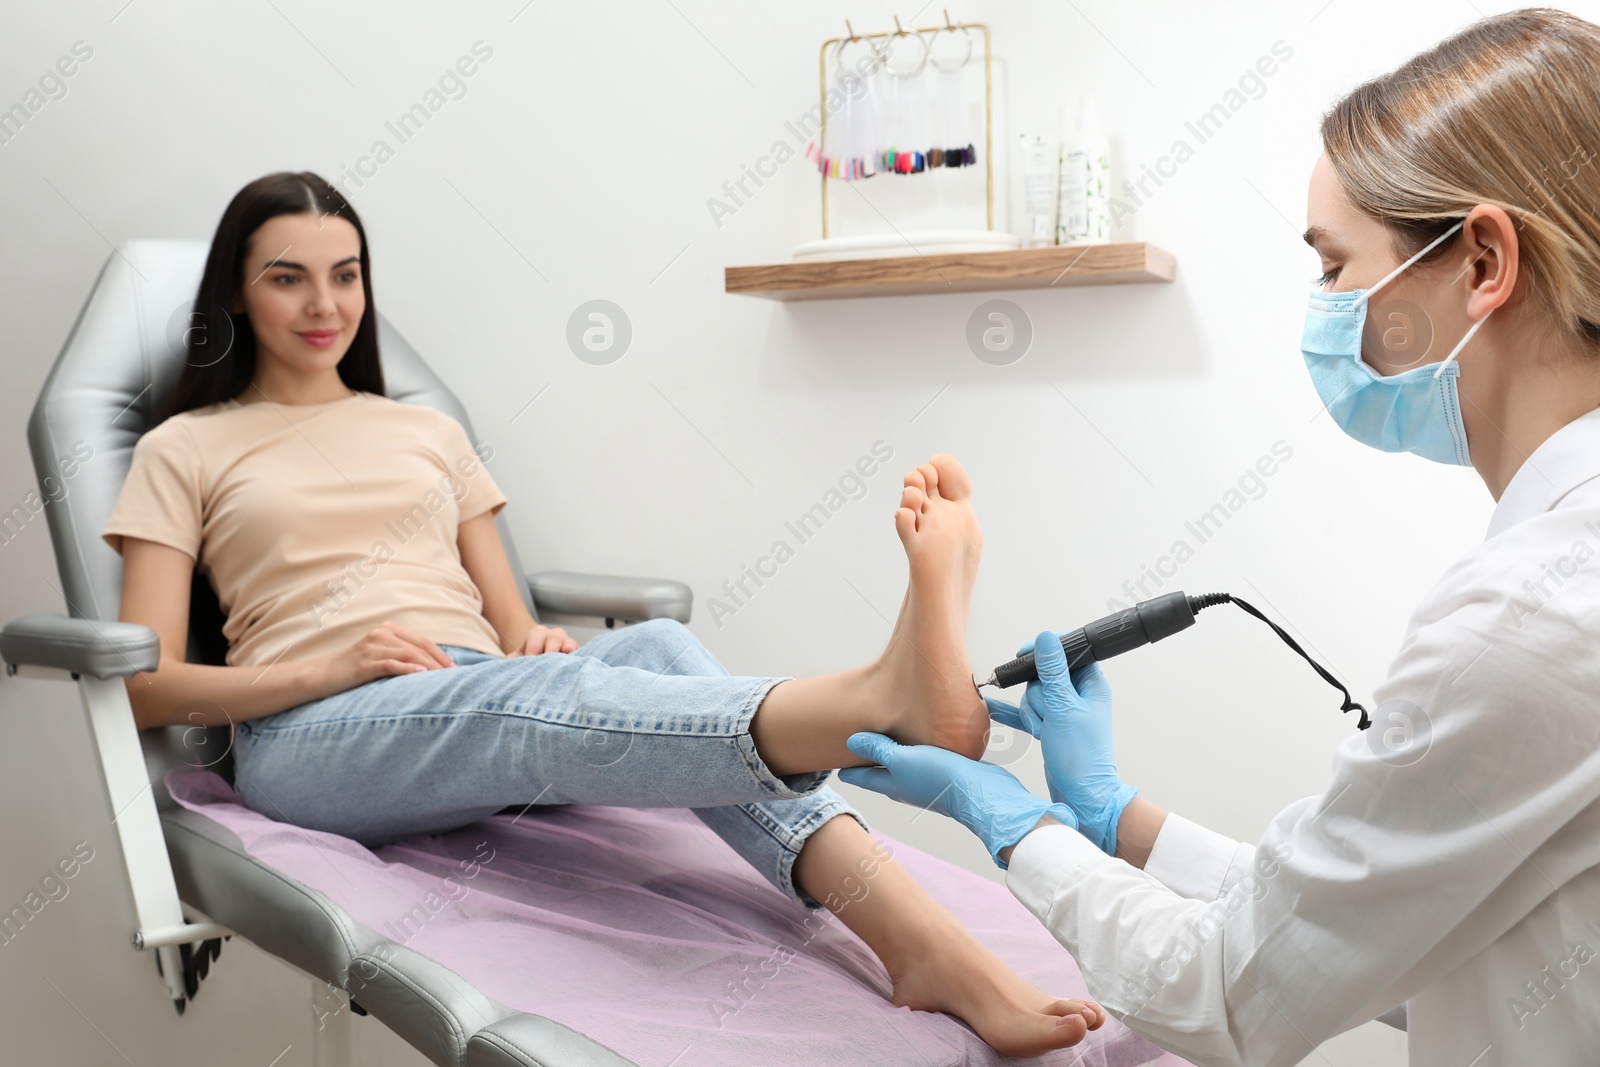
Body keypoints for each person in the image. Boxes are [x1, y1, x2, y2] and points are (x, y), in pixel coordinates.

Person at [102, 170, 1108, 1058]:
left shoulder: (425, 428)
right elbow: (146, 687)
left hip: (467, 688)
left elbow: (506, 622)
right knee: (536, 692)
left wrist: (530, 639)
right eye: (288, 276)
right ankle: (871, 700)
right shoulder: (187, 447)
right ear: (237, 288)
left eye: (346, 273)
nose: (325, 304)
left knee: (663, 646)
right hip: (309, 732)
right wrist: (324, 670)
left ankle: (921, 943)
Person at [841, 8, 1600, 1066]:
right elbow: (1368, 923)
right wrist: (1118, 816)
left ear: (1481, 261)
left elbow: (1230, 994)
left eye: (1336, 269)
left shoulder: (1535, 616)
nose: (1325, 310)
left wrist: (1014, 823)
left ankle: (895, 704)